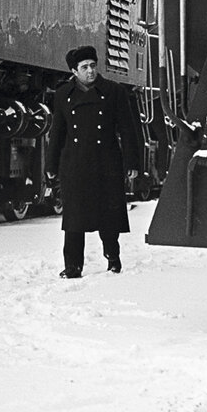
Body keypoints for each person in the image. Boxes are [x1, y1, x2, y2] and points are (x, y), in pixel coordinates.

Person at [47, 45, 139, 278]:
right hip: (75, 164)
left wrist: (132, 163)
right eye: (84, 67)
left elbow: (128, 130)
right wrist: (50, 165)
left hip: (106, 162)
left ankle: (113, 257)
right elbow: (57, 132)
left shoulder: (114, 91)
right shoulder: (62, 95)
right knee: (73, 219)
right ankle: (72, 266)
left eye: (93, 66)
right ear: (74, 71)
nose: (90, 71)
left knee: (108, 216)